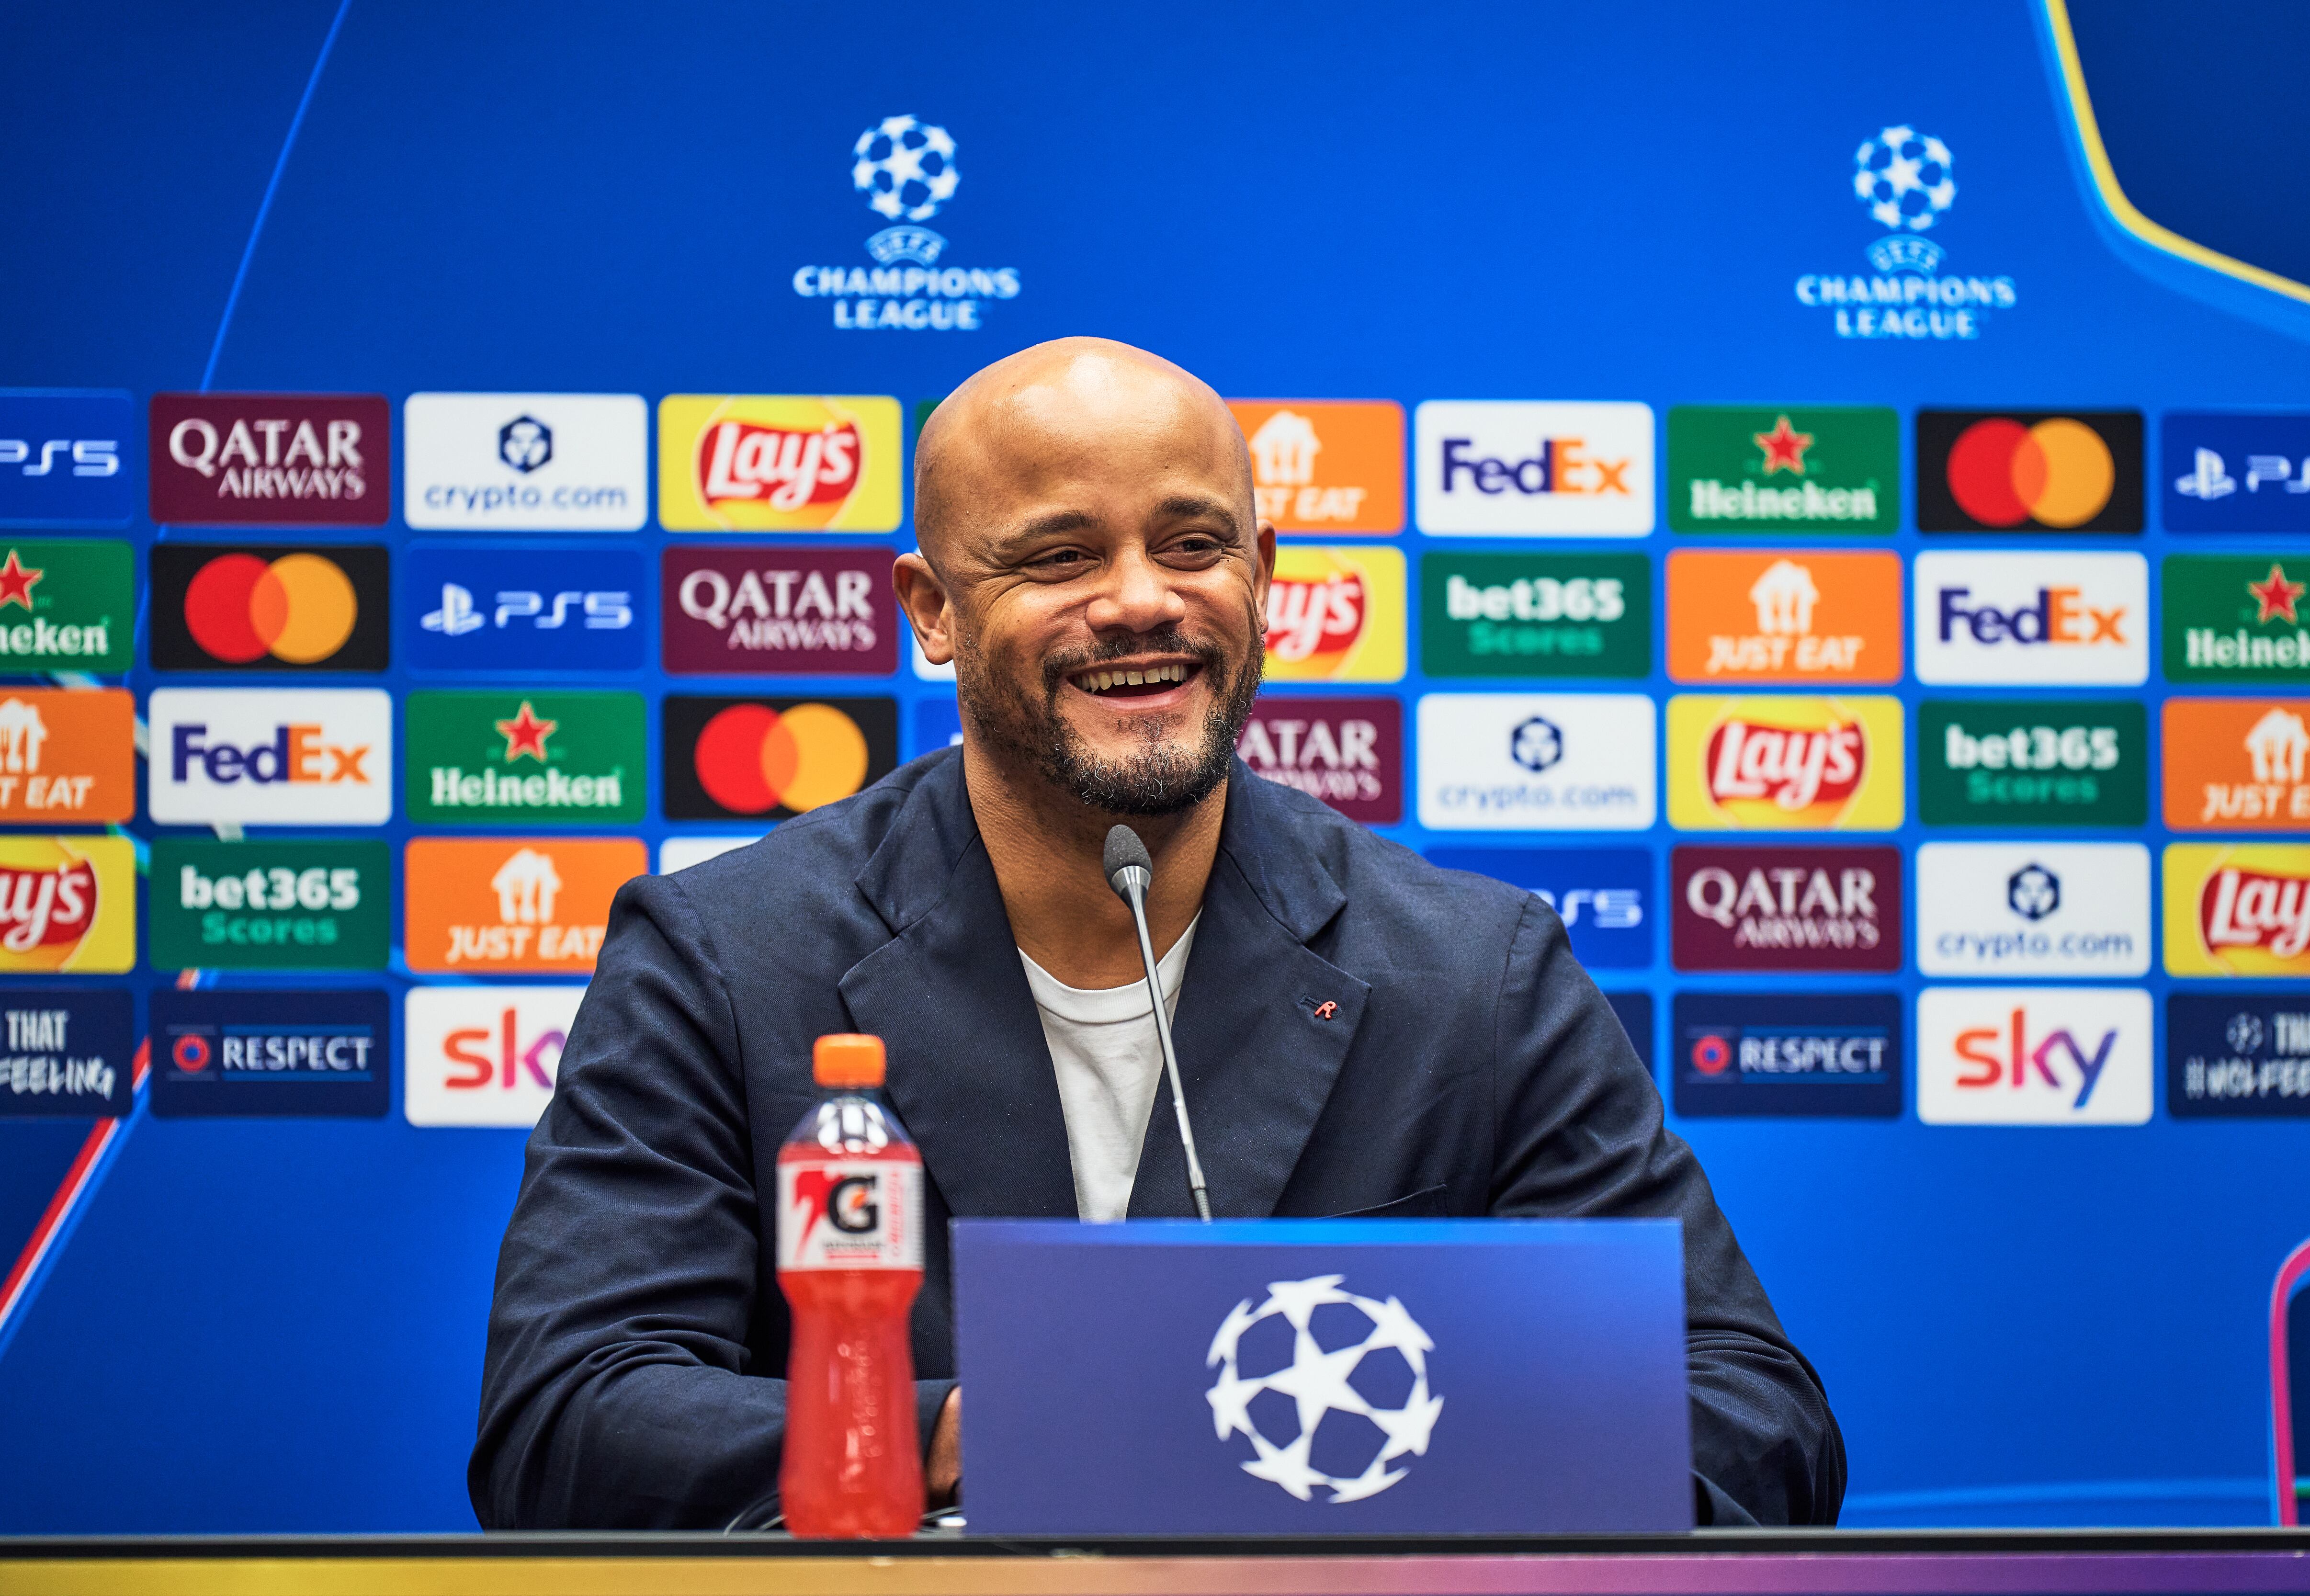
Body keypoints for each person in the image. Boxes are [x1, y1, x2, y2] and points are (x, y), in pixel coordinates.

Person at [470, 338, 1845, 1530]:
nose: (1140, 599)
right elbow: (567, 1422)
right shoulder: (723, 956)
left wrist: (1384, 1424)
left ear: (1265, 576)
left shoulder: (1476, 973)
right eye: (1061, 555)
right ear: (933, 612)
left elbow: (1750, 1417)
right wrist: (1005, 1435)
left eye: (1192, 546)